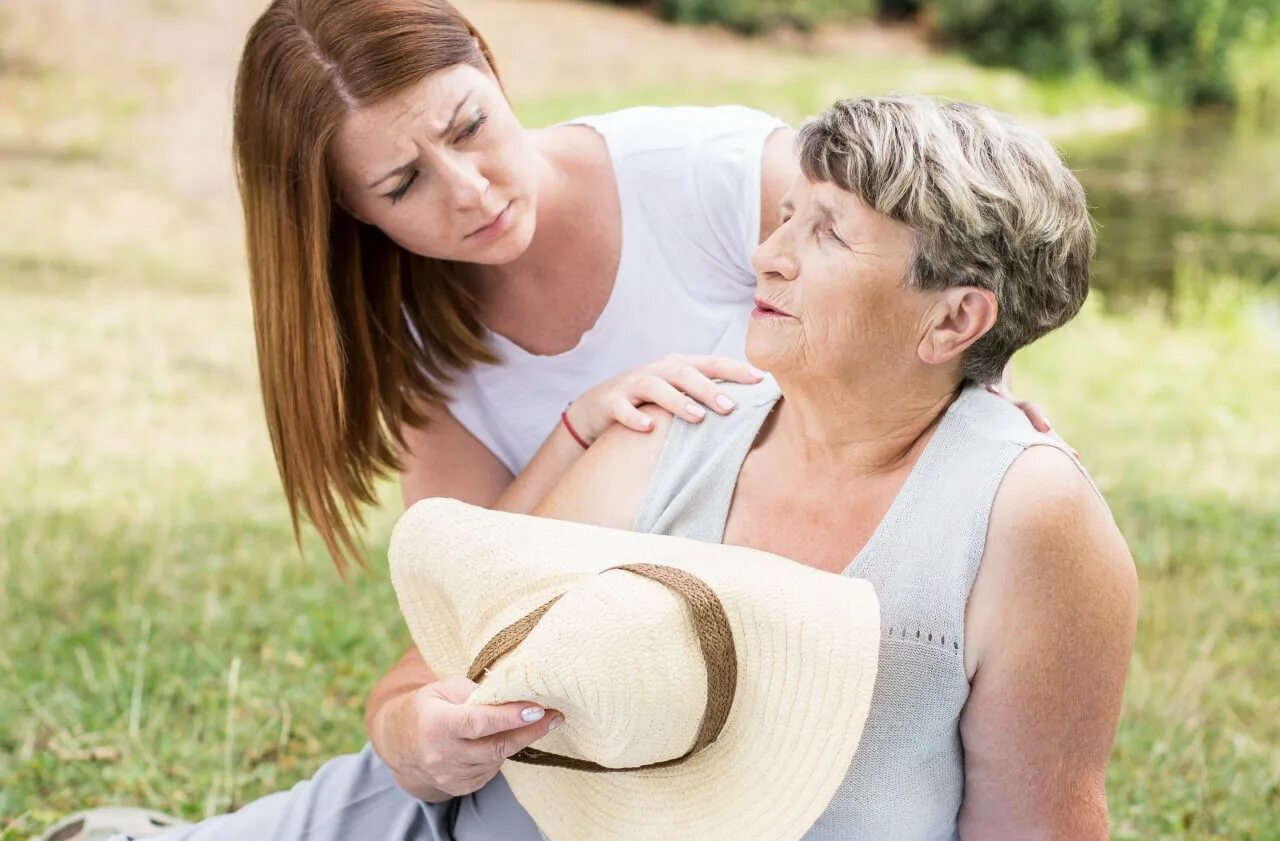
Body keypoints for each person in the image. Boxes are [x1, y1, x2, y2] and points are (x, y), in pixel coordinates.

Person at [48, 0, 1048, 838]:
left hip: (764, 666)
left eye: (468, 124)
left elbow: (919, 285)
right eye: (403, 184)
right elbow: (465, 609)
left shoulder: (707, 174)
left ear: (486, 60)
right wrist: (579, 434)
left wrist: (979, 409)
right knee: (411, 792)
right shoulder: (413, 343)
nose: (471, 188)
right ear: (350, 213)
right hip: (589, 705)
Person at [519, 95, 1139, 839]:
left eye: (828, 234)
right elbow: (466, 651)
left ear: (952, 320)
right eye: (786, 216)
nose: (767, 255)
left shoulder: (1027, 515)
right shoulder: (676, 427)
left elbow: (1034, 826)